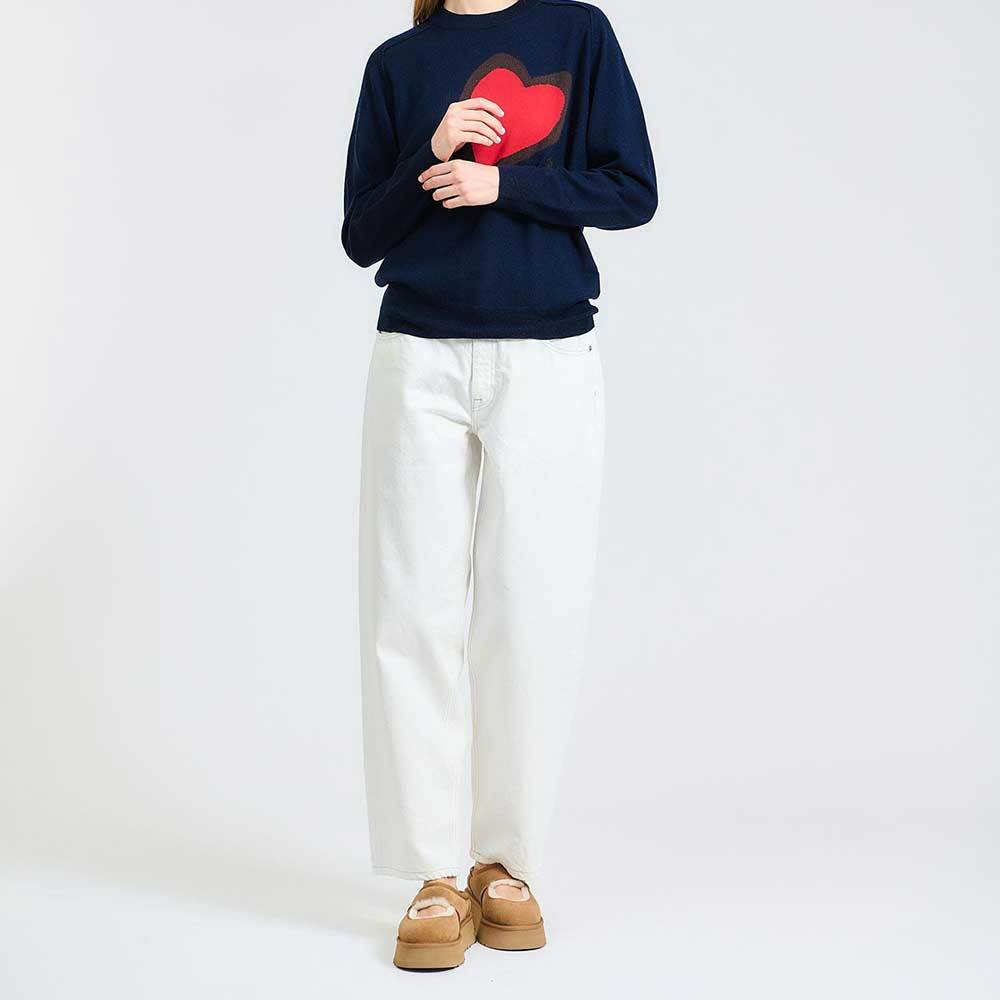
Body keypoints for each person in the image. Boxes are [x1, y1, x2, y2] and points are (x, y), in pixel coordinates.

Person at [342, 0, 656, 970]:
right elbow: (361, 235)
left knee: (532, 608)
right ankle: (434, 871)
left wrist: (501, 183)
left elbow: (632, 191)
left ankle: (504, 861)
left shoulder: (578, 34)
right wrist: (429, 153)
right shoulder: (397, 64)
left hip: (548, 357)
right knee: (411, 612)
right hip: (418, 358)